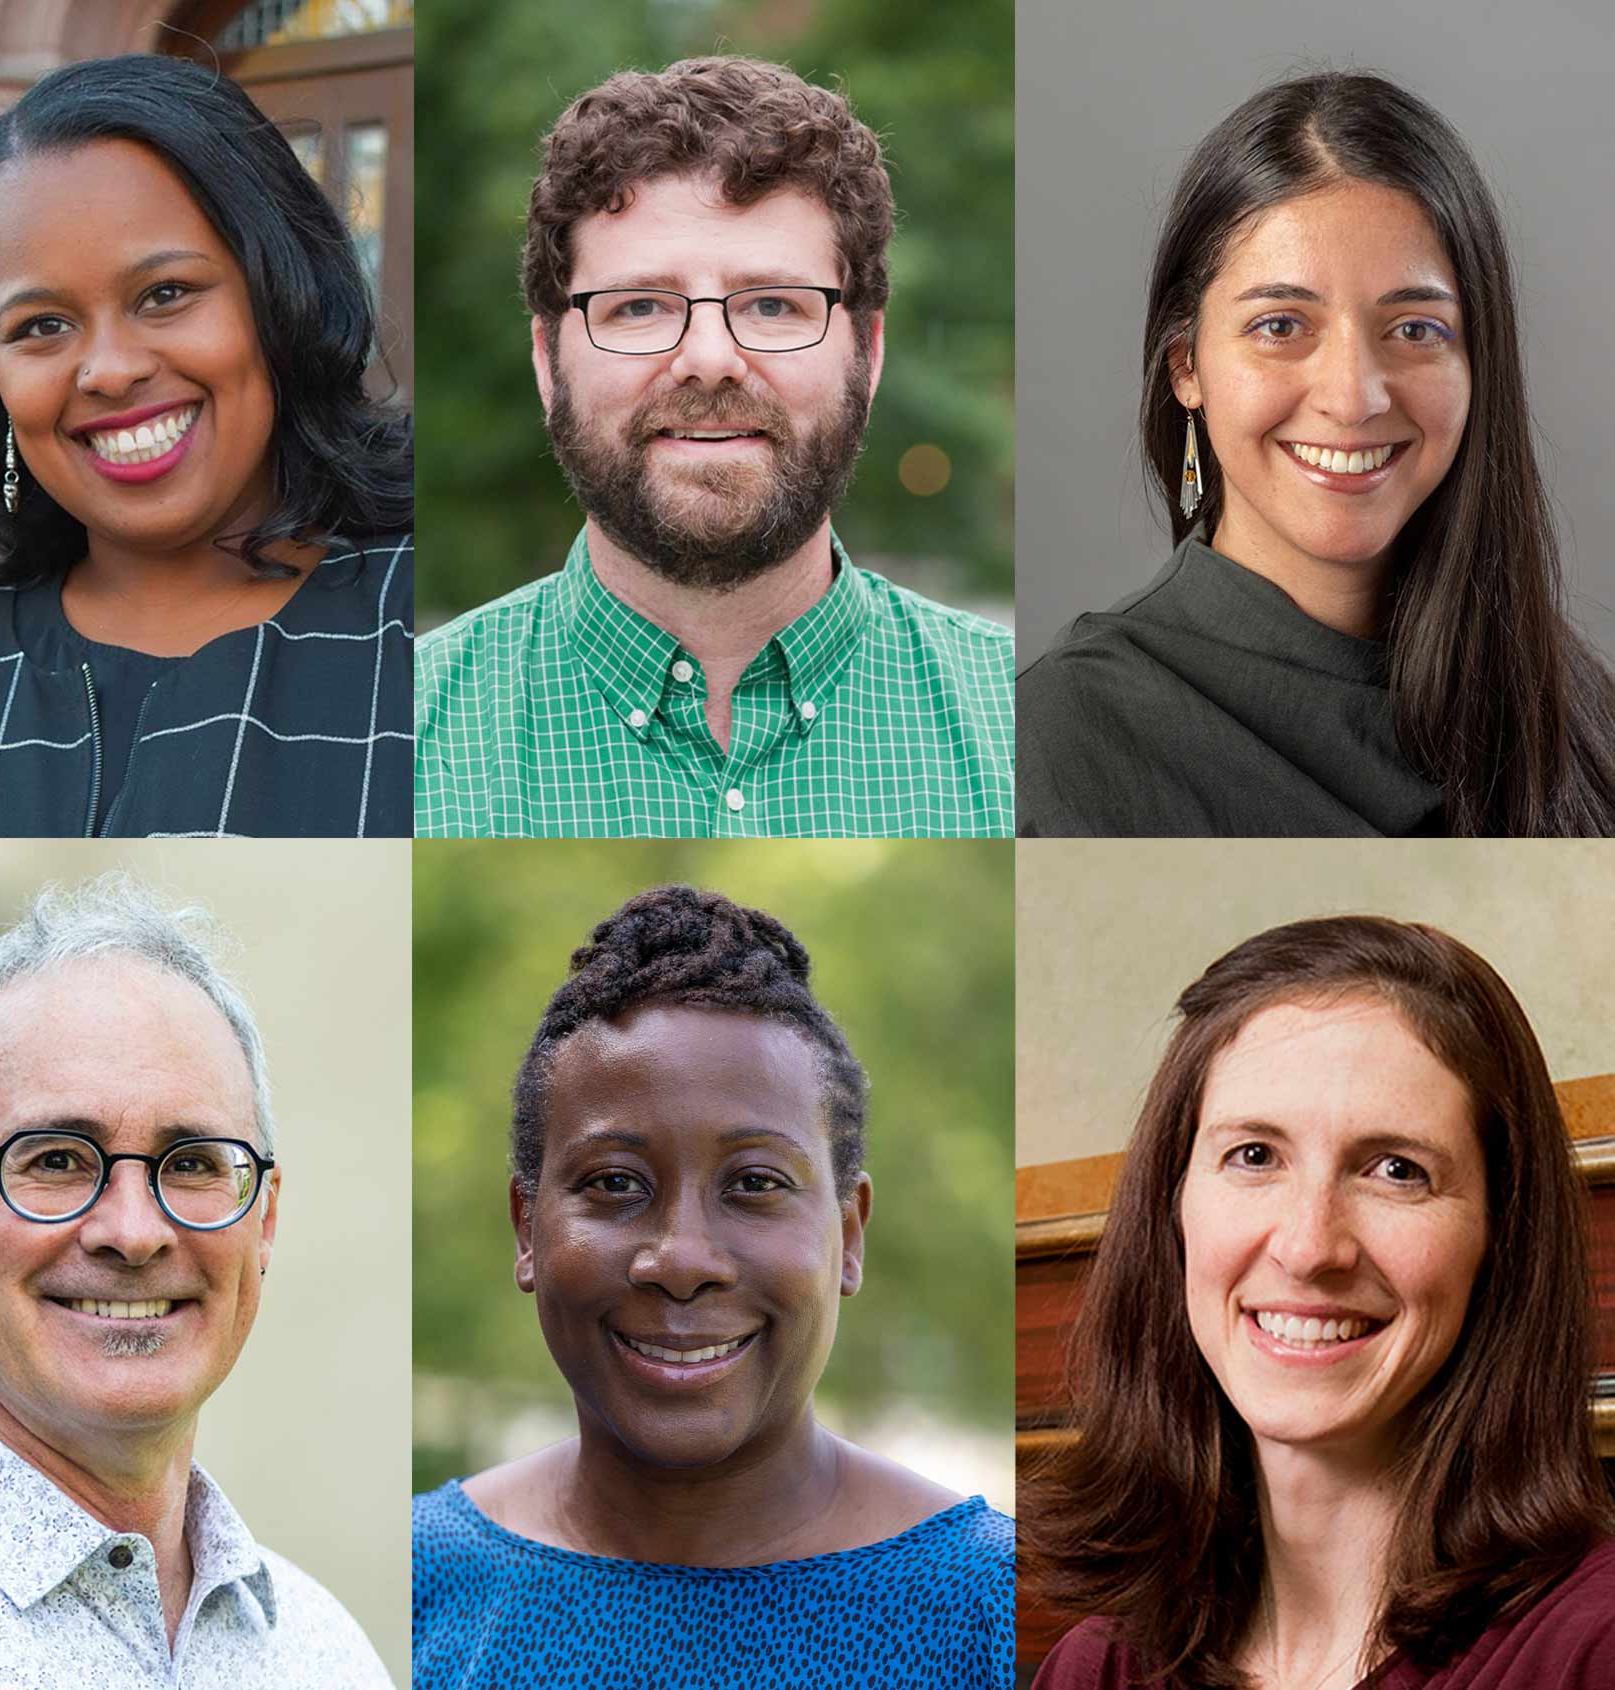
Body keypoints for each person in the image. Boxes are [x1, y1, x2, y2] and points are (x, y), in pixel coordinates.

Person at [414, 886, 1012, 1688]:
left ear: (849, 1233)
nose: (683, 1258)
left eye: (756, 1182)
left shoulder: (995, 1609)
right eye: (616, 1183)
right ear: (527, 1229)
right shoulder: (414, 1584)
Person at [0, 54, 414, 839]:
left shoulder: (427, 640)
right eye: (41, 326)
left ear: (280, 300)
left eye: (165, 295)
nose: (110, 370)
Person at [0, 876, 391, 1684]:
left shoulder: (328, 1657)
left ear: (262, 1220)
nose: (132, 1232)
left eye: (189, 1164)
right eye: (54, 1159)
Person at [415, 57, 1013, 839]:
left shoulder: (1020, 721)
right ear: (545, 360)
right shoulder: (403, 729)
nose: (707, 357)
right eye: (637, 307)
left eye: (770, 304)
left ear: (867, 350)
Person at [1017, 73, 1615, 837]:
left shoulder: (1577, 711)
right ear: (1185, 366)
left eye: (1413, 330)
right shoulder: (1063, 740)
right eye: (1279, 326)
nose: (1352, 396)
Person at [1026, 916, 1615, 1686]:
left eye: (1397, 1170)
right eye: (1253, 1156)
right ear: (1171, 1207)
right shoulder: (1098, 1665)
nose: (1308, 1247)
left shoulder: (1592, 1648)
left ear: (1499, 1233)